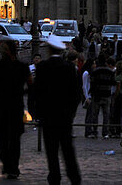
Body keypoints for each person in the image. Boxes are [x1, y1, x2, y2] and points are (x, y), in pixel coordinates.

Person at [31, 35, 83, 184]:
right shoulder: (69, 68)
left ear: (48, 49)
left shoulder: (41, 67)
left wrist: (39, 114)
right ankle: (74, 177)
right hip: (65, 117)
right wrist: (71, 113)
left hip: (48, 117)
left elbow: (37, 93)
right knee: (67, 149)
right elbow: (76, 93)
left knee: (51, 151)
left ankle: (54, 177)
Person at [0, 40, 33, 180]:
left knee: (14, 139)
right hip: (1, 107)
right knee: (1, 139)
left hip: (16, 107)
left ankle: (13, 167)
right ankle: (7, 164)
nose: (2, 51)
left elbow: (30, 84)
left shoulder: (22, 66)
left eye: (4, 49)